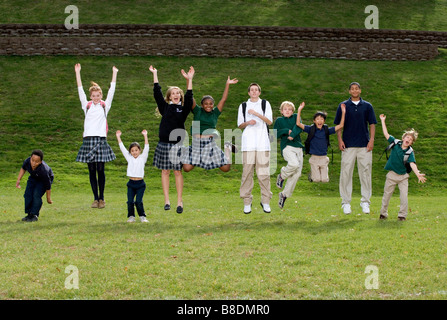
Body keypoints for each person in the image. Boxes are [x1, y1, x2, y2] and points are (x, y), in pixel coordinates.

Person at [149, 65, 194, 214]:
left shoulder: (184, 108)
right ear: (169, 97)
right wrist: (155, 74)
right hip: (163, 144)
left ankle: (179, 202)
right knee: (165, 172)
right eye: (172, 93)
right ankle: (167, 200)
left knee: (177, 172)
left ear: (180, 96)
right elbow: (157, 93)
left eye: (177, 93)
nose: (175, 95)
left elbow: (189, 96)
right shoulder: (165, 107)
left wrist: (190, 80)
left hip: (177, 145)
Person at [75, 63, 118, 209]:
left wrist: (114, 74)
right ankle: (95, 199)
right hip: (88, 139)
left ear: (101, 95)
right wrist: (78, 72)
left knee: (101, 169)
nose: (96, 97)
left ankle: (102, 198)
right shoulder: (86, 105)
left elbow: (112, 91)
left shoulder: (105, 105)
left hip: (100, 139)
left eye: (98, 95)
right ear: (90, 96)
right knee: (91, 170)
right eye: (93, 95)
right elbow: (80, 90)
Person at [334, 82, 377, 215]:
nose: (354, 90)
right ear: (349, 91)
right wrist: (340, 140)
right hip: (348, 145)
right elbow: (338, 125)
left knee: (365, 173)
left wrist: (371, 140)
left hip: (364, 145)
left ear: (360, 90)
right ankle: (346, 202)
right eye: (352, 89)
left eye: (356, 88)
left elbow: (372, 124)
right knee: (346, 173)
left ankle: (365, 202)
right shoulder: (343, 106)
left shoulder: (367, 106)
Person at [182, 76, 238, 173]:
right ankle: (184, 150)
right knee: (186, 168)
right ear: (202, 105)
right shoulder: (197, 111)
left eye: (211, 103)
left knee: (226, 168)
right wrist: (189, 79)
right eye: (206, 104)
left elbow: (223, 99)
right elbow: (190, 97)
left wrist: (227, 84)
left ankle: (227, 148)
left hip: (210, 143)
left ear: (213, 104)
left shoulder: (215, 113)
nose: (208, 106)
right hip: (197, 143)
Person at [379, 114, 426, 221]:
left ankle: (402, 216)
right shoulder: (395, 143)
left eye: (411, 139)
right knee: (386, 195)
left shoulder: (410, 152)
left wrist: (417, 173)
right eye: (407, 137)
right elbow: (386, 134)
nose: (408, 139)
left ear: (411, 143)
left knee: (404, 197)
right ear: (403, 138)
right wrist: (383, 121)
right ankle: (383, 213)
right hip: (392, 174)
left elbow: (412, 164)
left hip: (403, 177)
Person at [237, 83, 273, 214]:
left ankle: (265, 201)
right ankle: (247, 202)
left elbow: (269, 121)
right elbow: (240, 125)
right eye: (251, 90)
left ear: (259, 92)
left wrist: (256, 114)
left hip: (263, 144)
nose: (253, 92)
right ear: (248, 93)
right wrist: (248, 122)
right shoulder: (243, 106)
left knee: (263, 174)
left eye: (256, 90)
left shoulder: (265, 104)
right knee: (247, 174)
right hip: (248, 144)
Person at [296, 102, 346, 183]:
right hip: (314, 158)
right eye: (318, 119)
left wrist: (343, 112)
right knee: (316, 179)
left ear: (324, 121)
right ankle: (312, 175)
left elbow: (341, 125)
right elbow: (298, 123)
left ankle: (317, 174)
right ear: (314, 121)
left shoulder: (326, 130)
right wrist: (299, 110)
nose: (320, 121)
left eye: (322, 119)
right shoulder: (310, 129)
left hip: (323, 158)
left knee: (325, 180)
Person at [273, 101, 304, 209]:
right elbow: (274, 134)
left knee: (297, 174)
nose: (288, 111)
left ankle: (284, 195)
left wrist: (293, 134)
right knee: (294, 164)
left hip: (298, 147)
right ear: (281, 111)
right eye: (285, 109)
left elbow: (299, 126)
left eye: (290, 109)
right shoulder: (279, 120)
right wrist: (286, 131)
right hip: (287, 147)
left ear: (293, 111)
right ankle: (282, 175)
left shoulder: (296, 116)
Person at [116, 129, 150, 223]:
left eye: (136, 150)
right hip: (131, 183)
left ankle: (142, 216)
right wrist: (118, 137)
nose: (134, 152)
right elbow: (122, 148)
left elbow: (147, 147)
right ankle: (131, 216)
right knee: (130, 201)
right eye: (132, 151)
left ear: (139, 150)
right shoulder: (129, 158)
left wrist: (145, 135)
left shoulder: (142, 158)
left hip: (140, 184)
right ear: (130, 152)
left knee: (138, 201)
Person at [15, 150, 54, 222]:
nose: (33, 163)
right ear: (30, 158)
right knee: (27, 194)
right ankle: (29, 214)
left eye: (36, 162)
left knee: (36, 195)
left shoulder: (43, 170)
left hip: (44, 180)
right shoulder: (27, 161)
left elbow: (48, 186)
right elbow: (23, 169)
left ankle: (34, 215)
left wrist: (48, 199)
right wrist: (18, 180)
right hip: (34, 177)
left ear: (40, 162)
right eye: (32, 160)